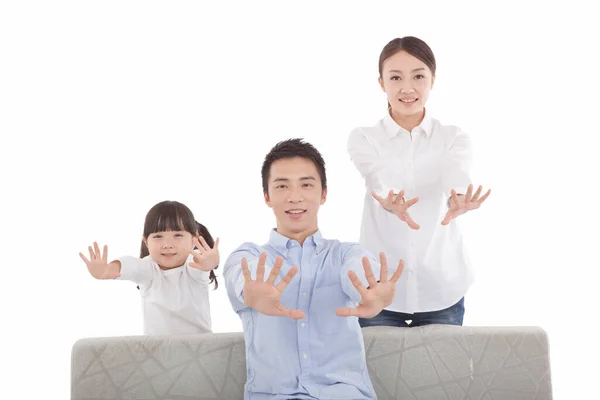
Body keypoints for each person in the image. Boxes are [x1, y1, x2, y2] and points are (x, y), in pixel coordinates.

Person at [223, 139, 403, 400]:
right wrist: (253, 294)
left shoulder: (346, 254)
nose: (295, 196)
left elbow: (358, 271)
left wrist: (371, 289)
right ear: (266, 196)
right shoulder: (249, 256)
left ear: (323, 194)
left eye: (306, 184)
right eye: (282, 186)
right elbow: (240, 277)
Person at [348, 36, 491, 328]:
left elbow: (456, 172)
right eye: (396, 77)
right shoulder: (363, 137)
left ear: (433, 79)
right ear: (381, 83)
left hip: (441, 288)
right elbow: (374, 173)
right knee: (378, 373)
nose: (407, 88)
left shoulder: (453, 137)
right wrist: (388, 198)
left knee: (443, 375)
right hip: (380, 290)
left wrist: (458, 197)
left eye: (418, 76)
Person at [79, 200, 219, 335]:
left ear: (194, 239)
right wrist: (107, 271)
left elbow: (201, 264)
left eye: (177, 235)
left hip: (200, 351)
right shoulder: (149, 270)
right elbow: (131, 265)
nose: (167, 244)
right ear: (146, 241)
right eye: (158, 236)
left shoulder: (192, 266)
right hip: (158, 352)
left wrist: (209, 263)